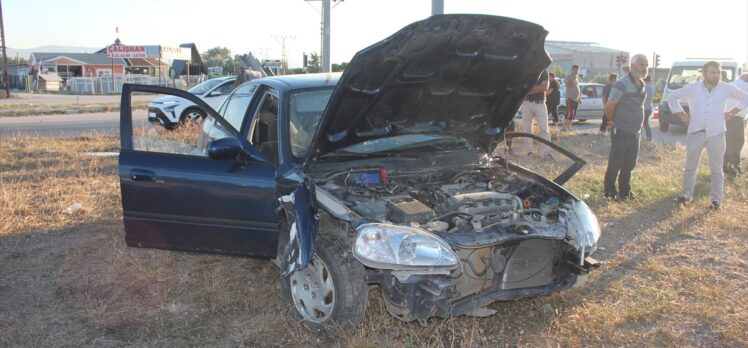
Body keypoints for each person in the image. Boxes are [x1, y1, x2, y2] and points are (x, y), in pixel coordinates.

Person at [666, 61, 748, 210]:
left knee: (716, 169)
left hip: (717, 133)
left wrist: (731, 113)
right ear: (704, 73)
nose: (715, 75)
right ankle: (686, 195)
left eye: (717, 72)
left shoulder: (725, 88)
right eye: (712, 72)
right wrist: (682, 115)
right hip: (695, 132)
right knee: (691, 166)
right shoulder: (693, 88)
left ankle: (716, 200)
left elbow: (745, 98)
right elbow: (672, 97)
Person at [603, 54, 649, 201]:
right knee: (615, 162)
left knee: (629, 163)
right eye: (641, 64)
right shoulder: (621, 84)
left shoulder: (642, 85)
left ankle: (625, 191)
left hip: (635, 132)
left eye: (645, 64)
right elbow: (610, 104)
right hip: (621, 130)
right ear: (632, 65)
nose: (644, 67)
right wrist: (613, 120)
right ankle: (610, 192)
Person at [520, 70, 552, 159]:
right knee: (527, 129)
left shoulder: (544, 72)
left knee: (544, 129)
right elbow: (521, 88)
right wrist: (537, 88)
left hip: (540, 104)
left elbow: (545, 87)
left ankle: (547, 153)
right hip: (526, 104)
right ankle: (529, 152)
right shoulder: (526, 72)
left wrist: (528, 90)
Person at [723, 73, 748, 176]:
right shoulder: (744, 86)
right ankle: (734, 167)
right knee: (737, 143)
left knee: (727, 142)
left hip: (725, 118)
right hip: (736, 118)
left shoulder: (731, 84)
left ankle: (724, 165)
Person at [564, 65, 581, 131]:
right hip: (569, 98)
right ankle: (563, 127)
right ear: (572, 70)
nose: (576, 71)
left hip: (575, 99)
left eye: (577, 70)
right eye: (575, 70)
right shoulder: (569, 76)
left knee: (573, 113)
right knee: (569, 112)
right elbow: (568, 85)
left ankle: (569, 127)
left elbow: (577, 88)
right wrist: (572, 78)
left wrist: (579, 97)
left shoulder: (576, 77)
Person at [642, 75, 655, 141]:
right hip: (649, 107)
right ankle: (647, 137)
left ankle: (649, 137)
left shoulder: (645, 87)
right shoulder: (652, 87)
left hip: (645, 108)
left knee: (645, 123)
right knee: (645, 123)